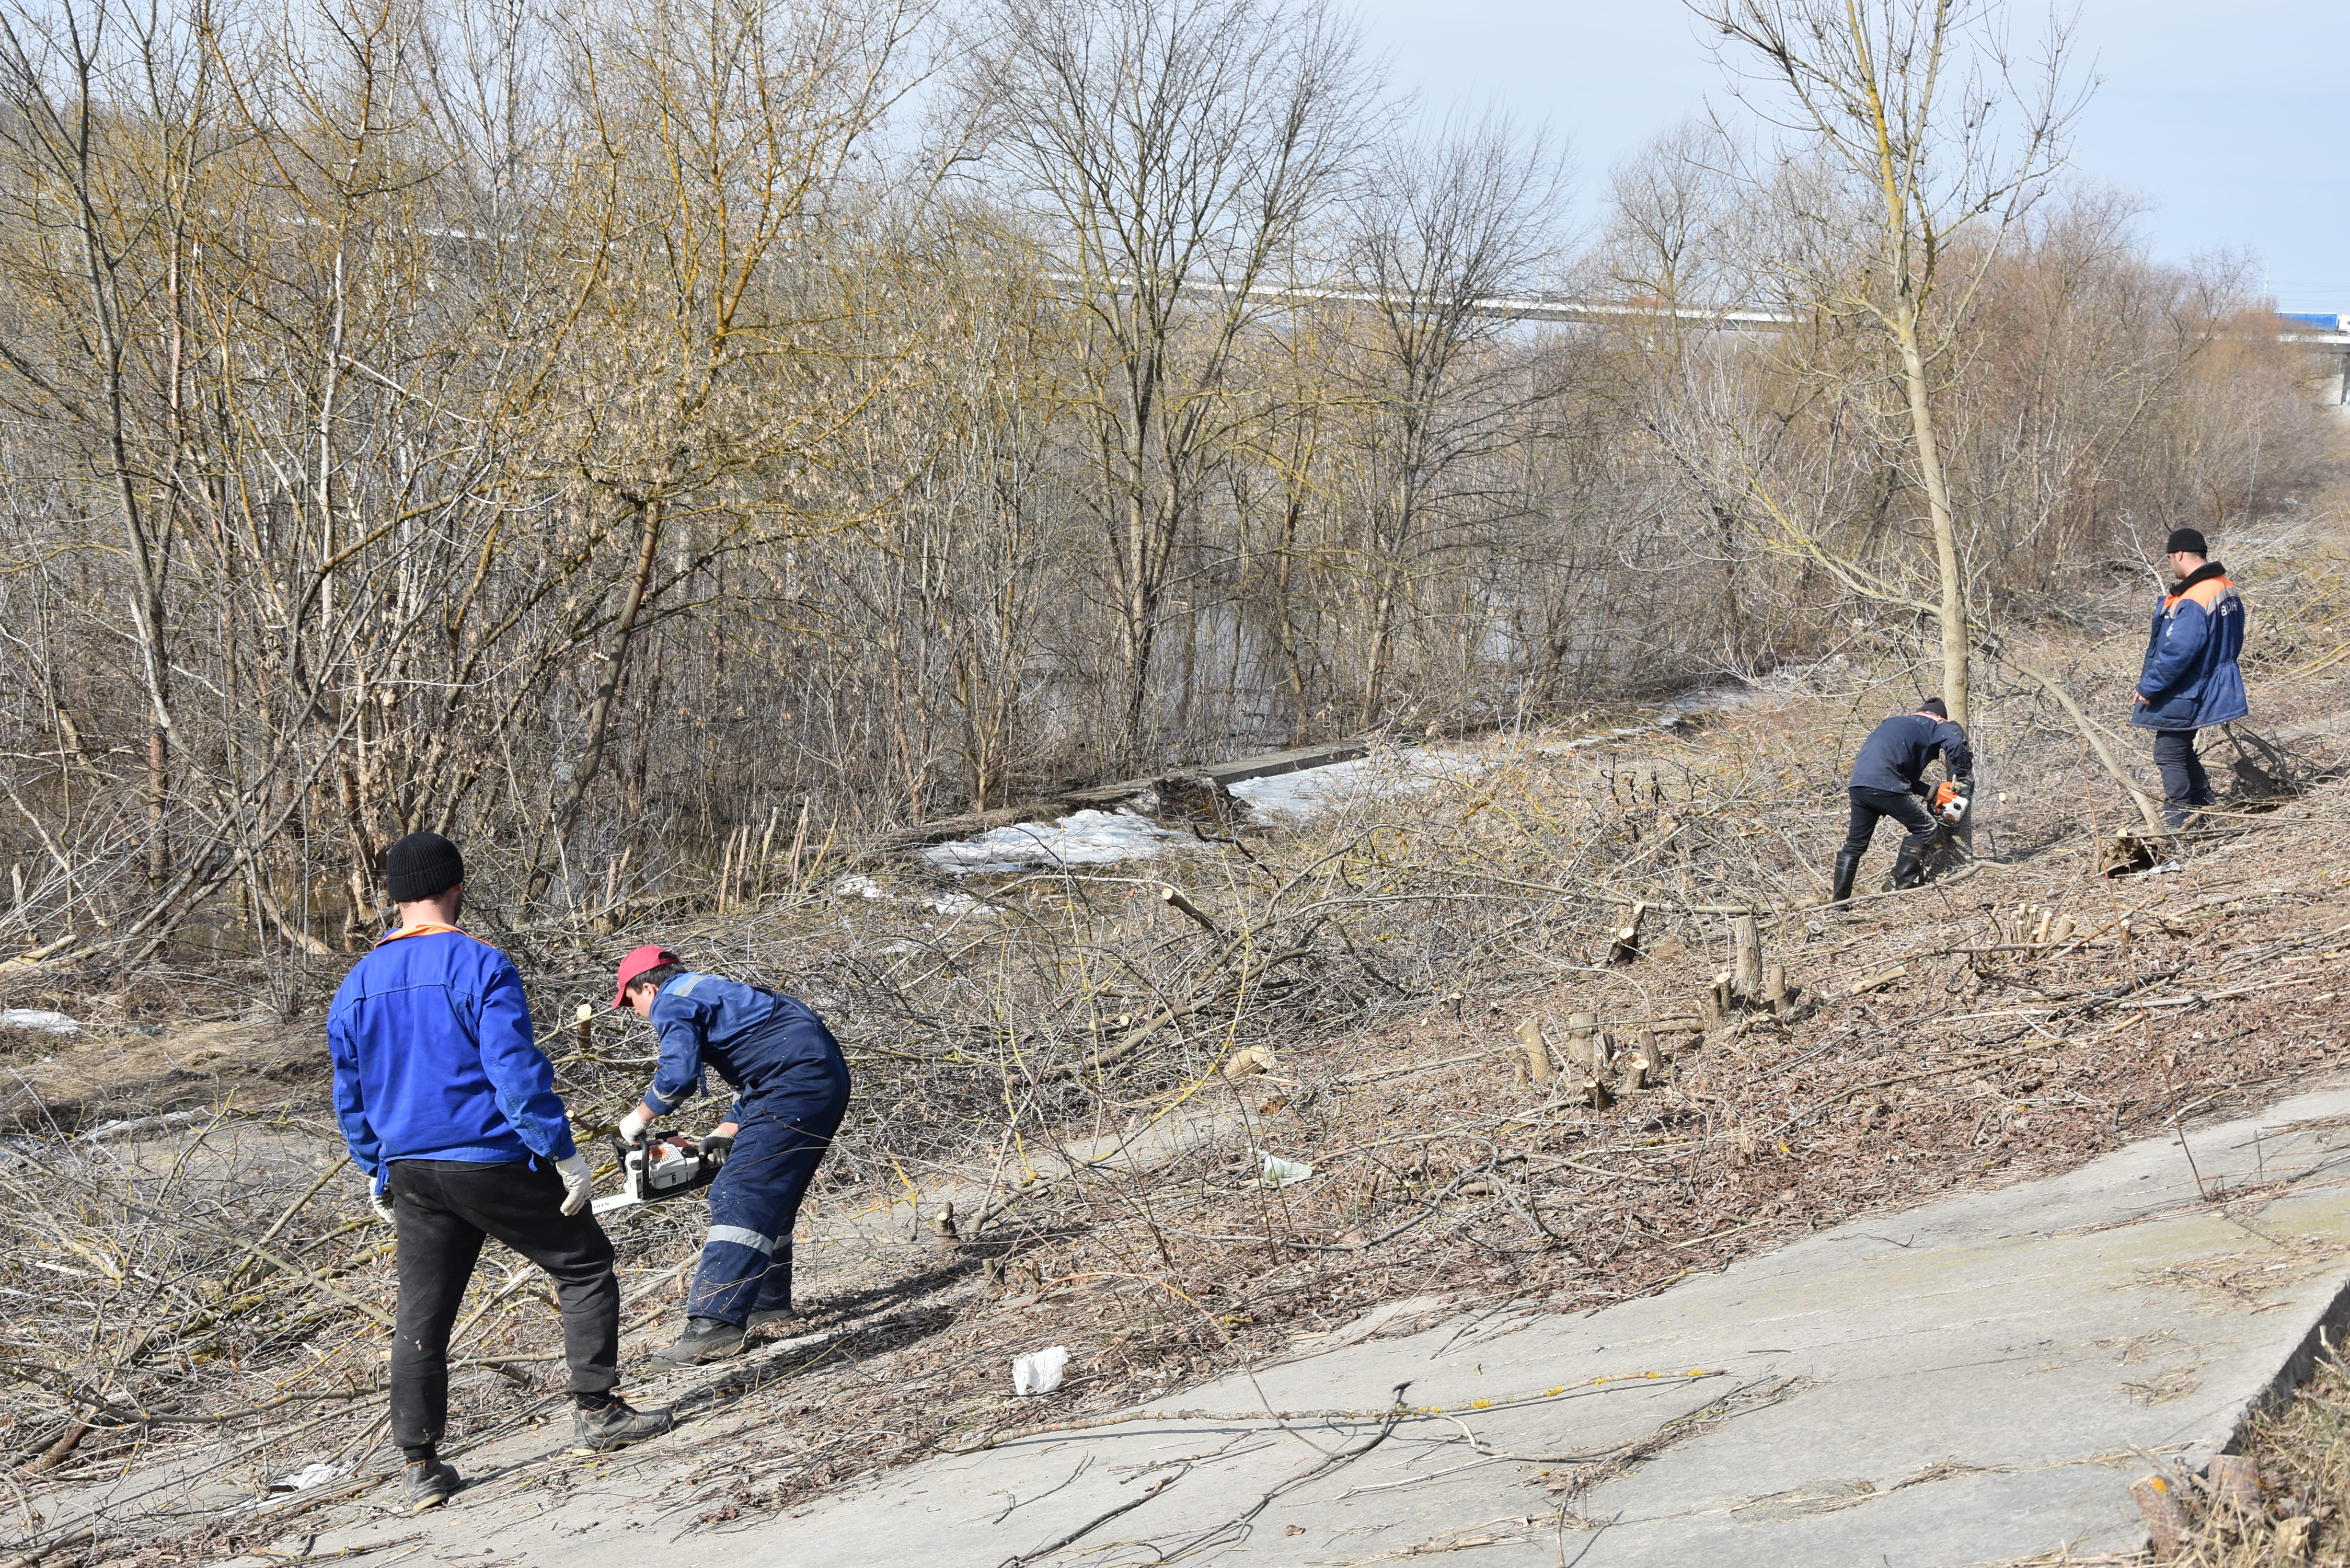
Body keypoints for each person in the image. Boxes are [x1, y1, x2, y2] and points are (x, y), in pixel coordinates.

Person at [329, 834, 672, 1514]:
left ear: (394, 898)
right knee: (583, 1263)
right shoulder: (478, 963)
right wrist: (562, 1152)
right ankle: (598, 1413)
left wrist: (377, 1168)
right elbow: (514, 1076)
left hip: (412, 1171)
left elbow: (350, 1094)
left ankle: (420, 1465)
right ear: (458, 888)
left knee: (422, 1315)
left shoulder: (354, 986)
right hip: (486, 1157)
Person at [611, 946, 854, 1367]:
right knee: (770, 1193)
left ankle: (714, 1325)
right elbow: (775, 1054)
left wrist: (636, 1120)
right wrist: (728, 1127)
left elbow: (677, 1076)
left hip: (798, 1081)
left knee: (739, 1191)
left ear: (648, 988)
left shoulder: (672, 1001)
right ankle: (766, 1301)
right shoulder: (715, 991)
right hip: (817, 1076)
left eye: (632, 1003)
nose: (635, 1013)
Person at [2131, 527, 2247, 831]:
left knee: (2168, 752)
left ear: (2179, 555)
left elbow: (2178, 652)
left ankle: (2180, 820)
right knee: (2181, 748)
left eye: (2170, 558)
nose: (2171, 564)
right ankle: (2203, 810)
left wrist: (2149, 687)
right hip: (2209, 681)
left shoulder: (2196, 595)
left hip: (2187, 686)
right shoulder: (2224, 586)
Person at [1833, 697, 1974, 903]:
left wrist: (1931, 791)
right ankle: (1901, 887)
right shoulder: (1936, 723)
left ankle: (1839, 904)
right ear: (1939, 715)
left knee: (1854, 845)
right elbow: (1955, 742)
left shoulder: (1892, 723)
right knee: (1926, 828)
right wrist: (1962, 776)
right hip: (1886, 785)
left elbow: (1896, 769)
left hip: (1859, 785)